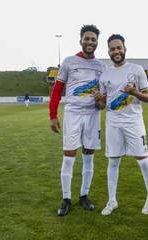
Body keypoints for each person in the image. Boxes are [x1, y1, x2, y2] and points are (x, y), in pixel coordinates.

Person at [93, 34, 148, 215]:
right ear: (109, 52)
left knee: (143, 161)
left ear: (125, 49)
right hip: (113, 123)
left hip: (134, 123)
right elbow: (102, 106)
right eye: (112, 49)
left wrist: (135, 92)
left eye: (119, 48)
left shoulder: (137, 69)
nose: (116, 51)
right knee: (113, 162)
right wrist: (98, 100)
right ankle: (112, 201)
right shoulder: (105, 75)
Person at [49, 24, 107, 216]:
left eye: (93, 39)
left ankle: (84, 195)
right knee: (69, 158)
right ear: (80, 40)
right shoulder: (68, 62)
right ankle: (66, 199)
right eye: (87, 38)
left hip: (92, 116)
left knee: (89, 157)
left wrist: (101, 102)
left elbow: (103, 99)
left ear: (97, 42)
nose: (90, 42)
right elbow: (57, 91)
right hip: (72, 115)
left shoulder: (102, 66)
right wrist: (53, 116)